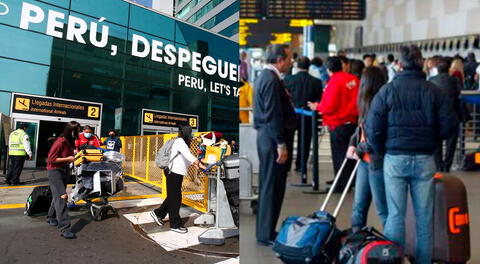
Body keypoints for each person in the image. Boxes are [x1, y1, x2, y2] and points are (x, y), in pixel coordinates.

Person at [366, 45, 459, 264]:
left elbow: (373, 127)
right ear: (422, 63)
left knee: (396, 216)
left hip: (395, 159)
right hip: (425, 159)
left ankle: (393, 261)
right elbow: (450, 124)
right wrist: (432, 140)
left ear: (399, 64)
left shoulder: (388, 90)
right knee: (424, 218)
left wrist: (383, 150)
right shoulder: (433, 90)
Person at [253, 44, 296, 245]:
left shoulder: (266, 77)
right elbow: (273, 115)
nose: (291, 61)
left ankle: (266, 230)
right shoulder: (270, 80)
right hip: (272, 139)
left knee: (269, 185)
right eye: (289, 58)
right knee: (272, 186)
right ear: (279, 59)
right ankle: (266, 234)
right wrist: (281, 144)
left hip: (267, 137)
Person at [308, 56, 359, 191]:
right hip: (353, 122)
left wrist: (317, 106)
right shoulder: (353, 79)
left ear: (329, 69)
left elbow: (329, 106)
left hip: (338, 123)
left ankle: (341, 184)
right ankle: (349, 180)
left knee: (339, 155)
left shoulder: (334, 82)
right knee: (350, 153)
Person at [347, 66, 388, 231]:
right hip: (366, 161)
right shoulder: (366, 103)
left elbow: (375, 138)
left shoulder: (381, 104)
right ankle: (355, 242)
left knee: (382, 210)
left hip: (376, 161)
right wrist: (352, 143)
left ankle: (392, 250)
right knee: (359, 207)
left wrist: (358, 149)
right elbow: (361, 129)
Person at [149, 124, 206, 233]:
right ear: (186, 133)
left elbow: (186, 158)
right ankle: (175, 225)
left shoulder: (182, 142)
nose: (191, 135)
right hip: (173, 173)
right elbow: (188, 155)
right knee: (176, 199)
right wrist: (199, 164)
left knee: (173, 197)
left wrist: (199, 165)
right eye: (190, 132)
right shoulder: (180, 141)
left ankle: (157, 213)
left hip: (176, 174)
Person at [284, 56, 323, 172]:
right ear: (309, 66)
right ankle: (301, 166)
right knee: (305, 141)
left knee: (288, 140)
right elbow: (319, 100)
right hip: (309, 115)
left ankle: (286, 165)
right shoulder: (316, 82)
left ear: (296, 66)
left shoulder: (288, 80)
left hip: (291, 115)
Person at [46, 121, 81, 239]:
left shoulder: (70, 142)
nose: (79, 133)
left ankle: (51, 216)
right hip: (55, 171)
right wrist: (68, 158)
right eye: (77, 131)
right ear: (71, 131)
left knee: (57, 195)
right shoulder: (60, 142)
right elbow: (51, 160)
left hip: (64, 170)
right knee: (62, 196)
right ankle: (64, 228)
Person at [430, 57, 462, 172]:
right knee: (451, 144)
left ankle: (439, 165)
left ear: (437, 70)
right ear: (448, 70)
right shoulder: (454, 80)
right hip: (452, 115)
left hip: (436, 116)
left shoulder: (431, 81)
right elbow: (459, 92)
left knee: (437, 142)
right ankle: (447, 165)